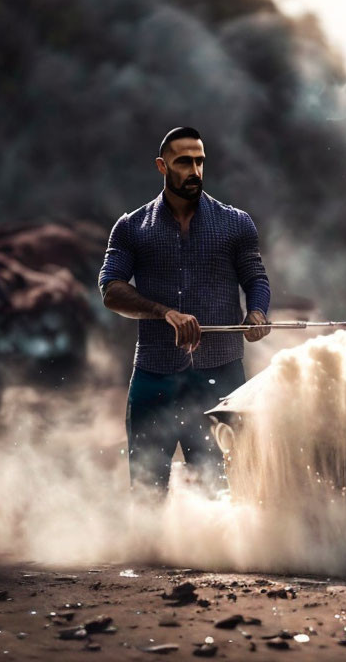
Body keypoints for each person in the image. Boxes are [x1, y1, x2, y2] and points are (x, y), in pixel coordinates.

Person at [98, 126, 271, 492]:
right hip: (154, 376)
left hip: (220, 377)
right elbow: (111, 289)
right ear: (162, 166)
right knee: (147, 489)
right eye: (183, 162)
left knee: (225, 488)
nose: (194, 171)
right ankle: (151, 549)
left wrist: (256, 312)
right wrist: (164, 313)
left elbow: (256, 278)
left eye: (199, 161)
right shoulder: (132, 227)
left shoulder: (236, 223)